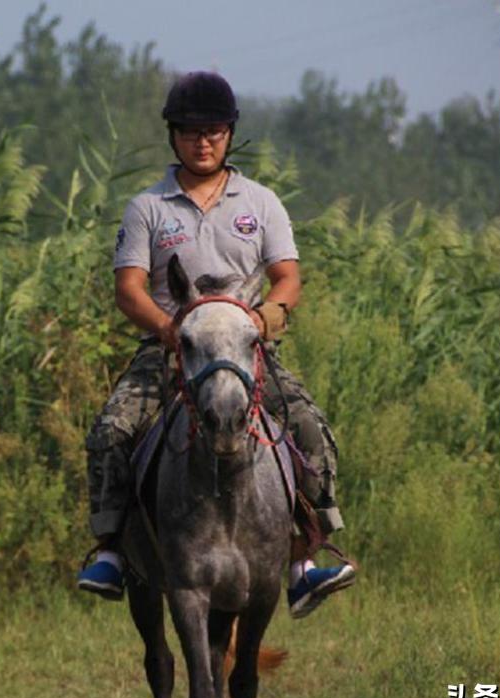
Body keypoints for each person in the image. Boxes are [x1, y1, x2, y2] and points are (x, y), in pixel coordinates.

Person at [76, 71, 354, 618]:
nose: (203, 141)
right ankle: (109, 550)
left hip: (246, 349)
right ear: (173, 135)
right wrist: (168, 329)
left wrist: (266, 317)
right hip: (170, 348)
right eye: (190, 131)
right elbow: (129, 289)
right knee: (111, 431)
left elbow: (288, 277)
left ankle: (304, 559)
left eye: (214, 131)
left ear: (230, 135)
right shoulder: (147, 208)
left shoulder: (262, 202)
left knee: (307, 427)